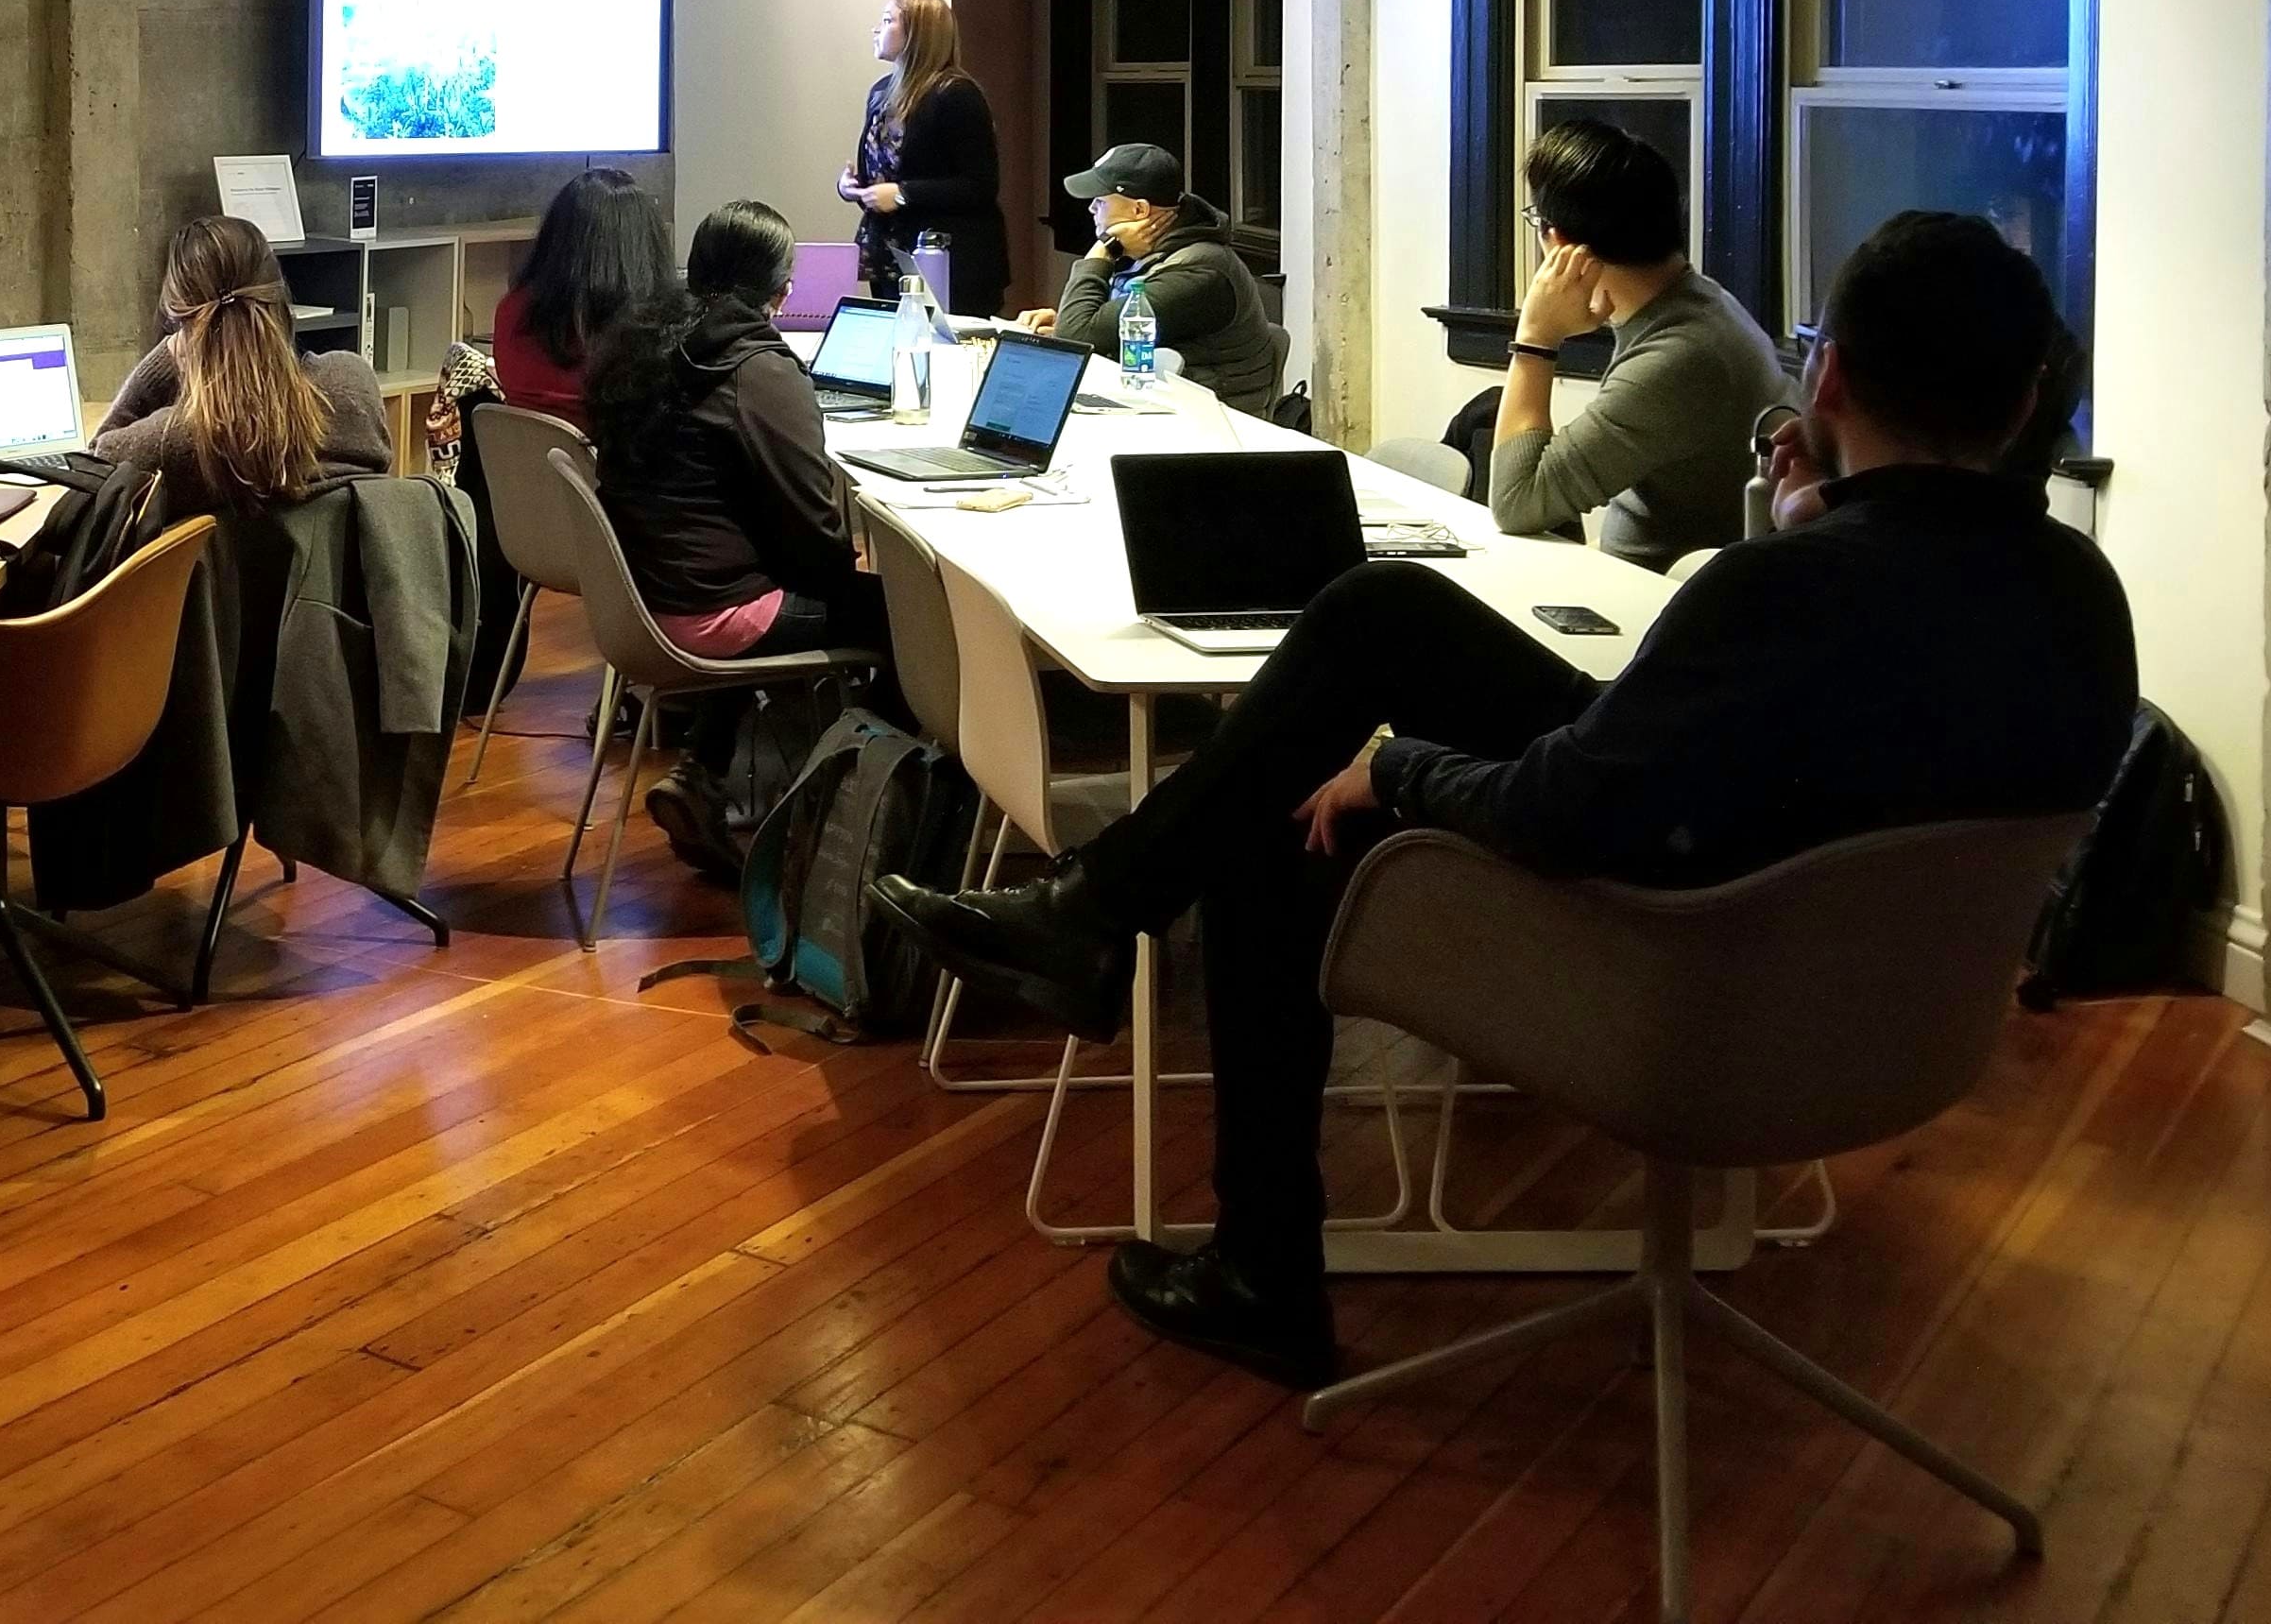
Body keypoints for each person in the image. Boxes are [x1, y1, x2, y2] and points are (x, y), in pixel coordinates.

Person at [875, 212, 2136, 1393]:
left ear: (1832, 378)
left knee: (1288, 822)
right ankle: (1098, 914)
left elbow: (1558, 813)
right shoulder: (2083, 600)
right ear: (2026, 400)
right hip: (1879, 1002)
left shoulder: (1783, 593)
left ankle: (1252, 1242)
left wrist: (1397, 769)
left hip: (1677, 974)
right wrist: (1816, 526)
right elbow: (1825, 729)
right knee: (1386, 611)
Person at [587, 199, 895, 879]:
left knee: (766, 568)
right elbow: (816, 537)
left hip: (642, 599)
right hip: (711, 614)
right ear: (781, 291)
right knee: (914, 623)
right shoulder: (757, 369)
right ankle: (844, 819)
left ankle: (702, 770)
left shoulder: (643, 347)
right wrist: (858, 567)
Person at [1488, 117, 1792, 567]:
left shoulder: (1677, 358)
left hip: (1649, 596)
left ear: (1562, 243)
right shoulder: (1705, 302)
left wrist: (1535, 339)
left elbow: (1515, 502)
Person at [94, 215, 392, 517]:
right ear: (279, 299)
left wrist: (165, 359)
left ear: (182, 321)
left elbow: (93, 469)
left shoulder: (174, 441)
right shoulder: (353, 385)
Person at [1048, 142, 1280, 410]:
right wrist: (1067, 319)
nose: (1091, 209)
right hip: (1159, 403)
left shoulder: (1199, 271)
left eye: (1100, 201)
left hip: (1209, 421)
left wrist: (1103, 250)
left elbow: (1076, 339)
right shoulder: (1154, 252)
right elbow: (1091, 330)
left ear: (1139, 210)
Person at [839, 0, 1007, 316]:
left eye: (887, 21)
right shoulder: (880, 92)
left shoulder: (956, 94)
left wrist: (904, 194)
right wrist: (853, 187)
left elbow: (981, 185)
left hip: (951, 261)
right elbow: (884, 175)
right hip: (889, 254)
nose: (876, 29)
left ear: (917, 34)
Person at [487, 169, 677, 428]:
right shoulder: (647, 332)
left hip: (524, 452)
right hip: (611, 454)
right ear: (645, 247)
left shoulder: (512, 311)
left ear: (555, 237)